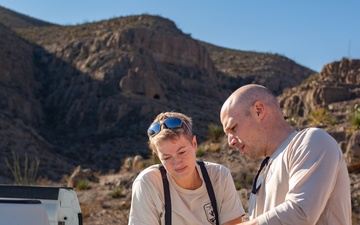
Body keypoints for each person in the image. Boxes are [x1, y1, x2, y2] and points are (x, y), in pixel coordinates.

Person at [220, 84, 351, 225]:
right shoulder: (262, 174)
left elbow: (300, 214)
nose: (230, 142)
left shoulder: (312, 141)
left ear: (258, 111)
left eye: (233, 128)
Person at [128, 111, 245, 225]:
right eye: (167, 157)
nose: (177, 162)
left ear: (194, 144)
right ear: (158, 156)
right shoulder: (149, 183)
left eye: (182, 152)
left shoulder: (219, 177)